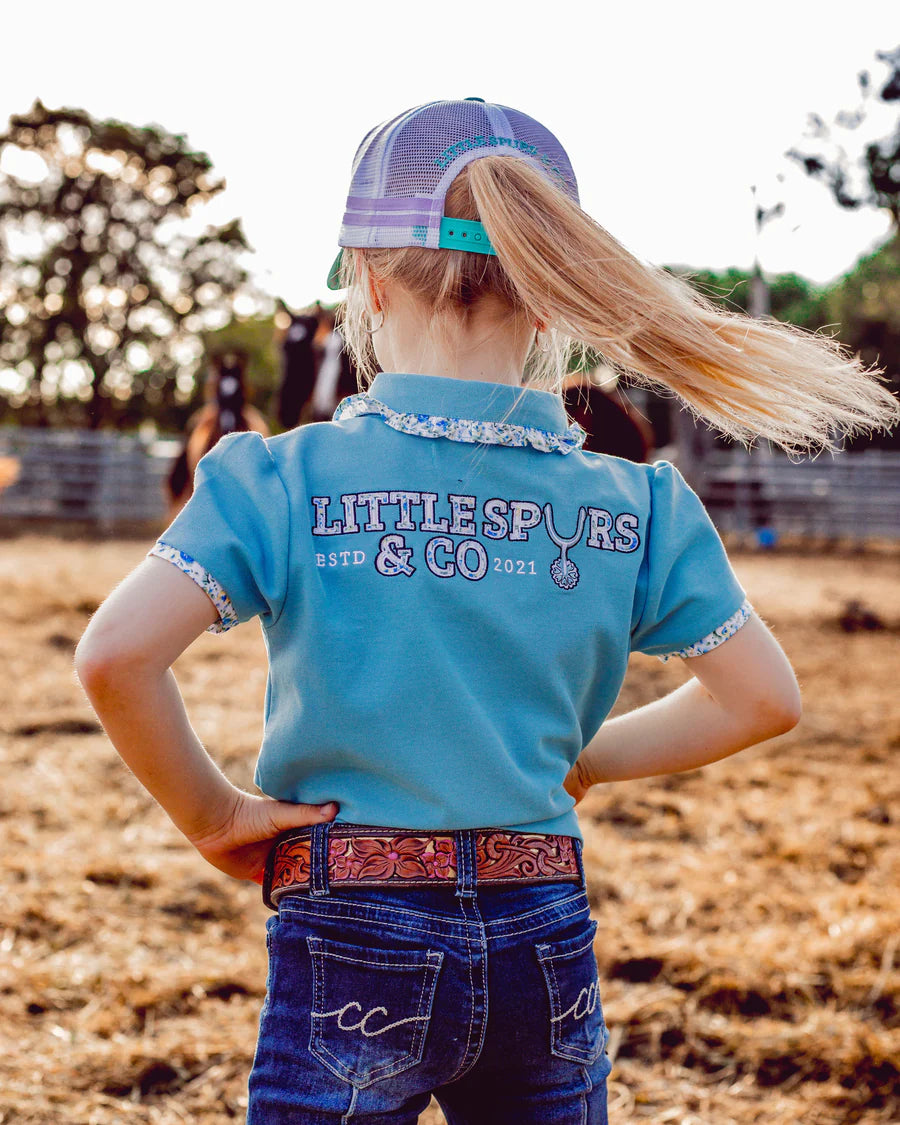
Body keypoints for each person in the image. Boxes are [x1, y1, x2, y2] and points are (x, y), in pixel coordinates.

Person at [74, 98, 898, 1124]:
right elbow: (763, 699)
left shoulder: (281, 478)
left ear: (368, 282)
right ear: (553, 300)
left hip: (349, 920)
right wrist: (589, 760)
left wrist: (216, 816)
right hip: (544, 926)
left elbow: (114, 658)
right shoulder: (639, 504)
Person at [165, 351, 270, 519]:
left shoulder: (251, 414)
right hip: (216, 410)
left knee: (261, 432)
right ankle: (187, 476)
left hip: (239, 410)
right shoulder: (215, 385)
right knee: (195, 432)